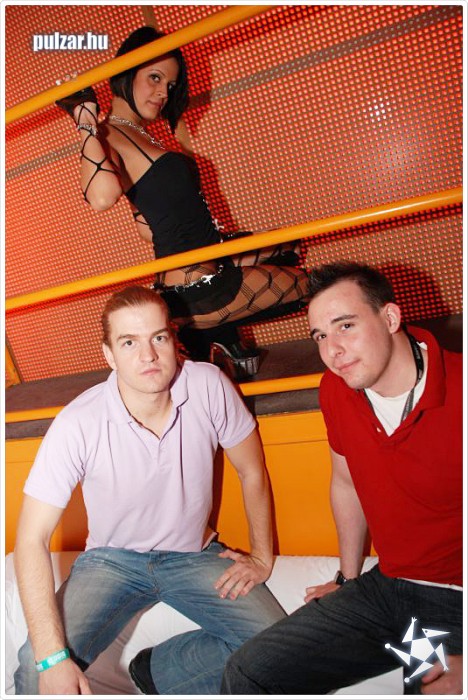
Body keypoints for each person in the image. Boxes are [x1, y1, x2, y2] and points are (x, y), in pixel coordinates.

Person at [13, 285, 286, 695]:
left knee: (281, 651)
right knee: (35, 673)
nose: (148, 356)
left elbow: (251, 471)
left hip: (193, 554)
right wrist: (52, 658)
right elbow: (31, 538)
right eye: (129, 342)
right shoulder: (78, 422)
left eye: (158, 337)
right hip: (111, 561)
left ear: (174, 340)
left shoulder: (208, 384)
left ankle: (157, 671)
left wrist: (262, 556)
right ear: (108, 355)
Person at [221, 261, 463, 695]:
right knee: (248, 674)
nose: (332, 350)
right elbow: (346, 483)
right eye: (319, 336)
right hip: (385, 592)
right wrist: (346, 580)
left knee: (434, 689)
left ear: (390, 317)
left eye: (346, 326)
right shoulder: (336, 389)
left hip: (451, 602)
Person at [56, 25, 309, 379]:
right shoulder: (107, 134)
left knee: (289, 247)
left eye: (170, 85)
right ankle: (218, 336)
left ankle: (220, 341)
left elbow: (148, 228)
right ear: (126, 72)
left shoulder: (140, 133)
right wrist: (84, 118)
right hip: (197, 283)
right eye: (155, 77)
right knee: (310, 285)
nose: (163, 92)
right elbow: (100, 198)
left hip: (205, 261)